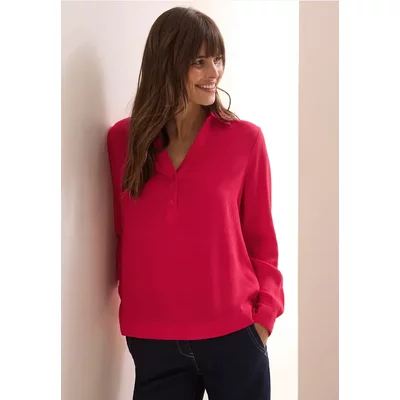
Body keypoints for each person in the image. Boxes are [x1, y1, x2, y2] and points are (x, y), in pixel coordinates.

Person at [107, 6, 284, 400]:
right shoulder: (123, 141)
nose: (214, 72)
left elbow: (262, 241)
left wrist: (264, 319)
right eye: (199, 61)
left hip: (235, 335)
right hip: (153, 340)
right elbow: (123, 235)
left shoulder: (245, 140)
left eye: (217, 59)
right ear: (166, 64)